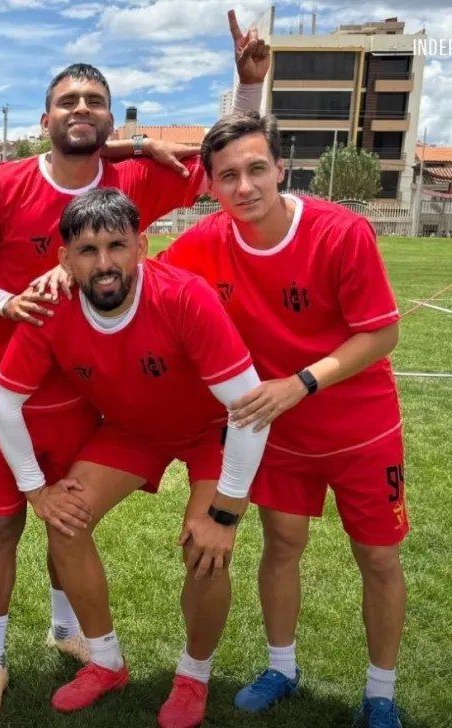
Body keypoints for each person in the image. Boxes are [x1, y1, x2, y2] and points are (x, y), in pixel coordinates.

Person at [0, 60, 212, 717]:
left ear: (111, 120)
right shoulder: (5, 183)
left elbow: (225, 160)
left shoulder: (131, 180)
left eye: (95, 100)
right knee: (4, 526)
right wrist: (9, 304)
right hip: (7, 395)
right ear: (46, 118)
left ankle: (67, 632)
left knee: (68, 517)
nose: (81, 107)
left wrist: (241, 85)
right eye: (68, 100)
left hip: (91, 399)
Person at [158, 110, 408, 728]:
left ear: (280, 170)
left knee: (377, 559)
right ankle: (282, 667)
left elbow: (381, 334)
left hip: (359, 429)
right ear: (211, 186)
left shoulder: (340, 231)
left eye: (257, 169)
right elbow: (143, 275)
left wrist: (300, 383)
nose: (245, 187)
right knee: (283, 545)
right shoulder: (204, 241)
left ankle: (380, 692)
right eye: (229, 176)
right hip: (277, 431)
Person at [0, 188, 269, 726]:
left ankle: (193, 676)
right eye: (88, 251)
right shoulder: (53, 307)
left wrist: (226, 514)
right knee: (65, 524)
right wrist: (34, 489)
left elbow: (249, 409)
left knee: (205, 549)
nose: (105, 262)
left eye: (117, 245)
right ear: (65, 260)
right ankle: (107, 660)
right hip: (132, 432)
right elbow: (4, 403)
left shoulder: (185, 297)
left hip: (213, 428)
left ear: (142, 246)